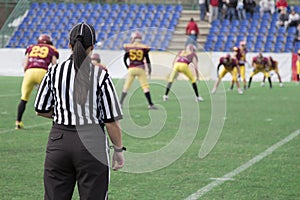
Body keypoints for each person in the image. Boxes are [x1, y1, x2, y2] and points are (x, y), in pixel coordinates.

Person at [34, 22, 125, 199]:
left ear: (69, 45)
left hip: (59, 142)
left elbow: (40, 109)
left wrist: (64, 113)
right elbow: (111, 120)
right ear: (91, 47)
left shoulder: (53, 72)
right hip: (92, 143)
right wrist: (119, 151)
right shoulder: (100, 75)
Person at [15, 34, 59, 130]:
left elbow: (25, 63)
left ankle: (18, 122)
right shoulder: (52, 48)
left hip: (29, 72)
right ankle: (57, 123)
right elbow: (54, 64)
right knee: (54, 98)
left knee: (24, 99)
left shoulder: (31, 47)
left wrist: (28, 74)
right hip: (43, 72)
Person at [119, 31, 157, 109]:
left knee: (126, 86)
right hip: (140, 69)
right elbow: (148, 60)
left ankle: (120, 103)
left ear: (133, 38)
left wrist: (128, 66)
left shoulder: (128, 46)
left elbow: (125, 58)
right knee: (145, 87)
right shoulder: (144, 47)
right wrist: (149, 70)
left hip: (132, 68)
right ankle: (150, 104)